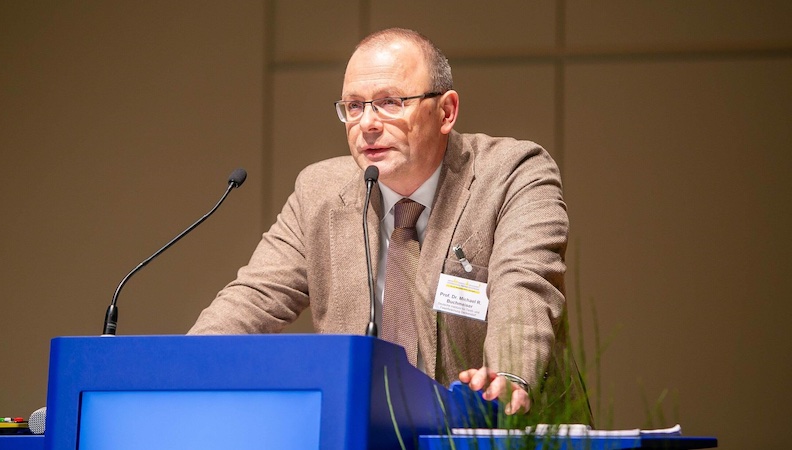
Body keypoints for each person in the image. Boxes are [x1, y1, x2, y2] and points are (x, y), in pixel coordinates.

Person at [189, 28, 591, 423]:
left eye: (389, 103)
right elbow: (253, 298)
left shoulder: (513, 174)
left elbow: (525, 286)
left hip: (499, 435)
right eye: (353, 106)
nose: (367, 123)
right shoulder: (320, 193)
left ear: (446, 111)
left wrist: (507, 374)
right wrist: (180, 366)